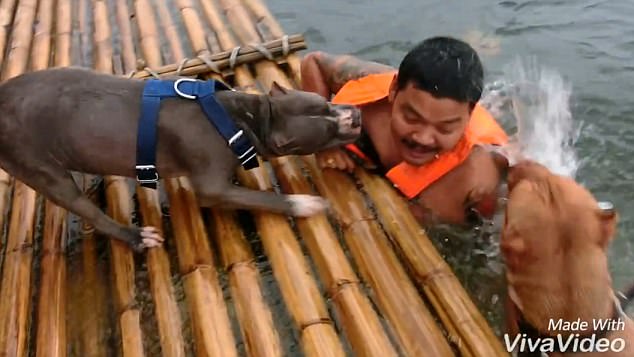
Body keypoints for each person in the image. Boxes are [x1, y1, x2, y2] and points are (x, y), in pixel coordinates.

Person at [300, 36, 509, 226]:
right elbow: (314, 62)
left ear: (469, 114)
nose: (423, 138)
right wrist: (324, 139)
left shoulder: (476, 182)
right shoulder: (373, 91)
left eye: (445, 128)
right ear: (393, 91)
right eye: (412, 118)